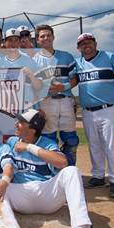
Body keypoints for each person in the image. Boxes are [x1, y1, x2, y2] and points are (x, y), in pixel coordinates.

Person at [3, 109, 93, 228]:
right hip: (20, 196)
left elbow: (62, 162)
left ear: (32, 130)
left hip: (46, 195)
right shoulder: (12, 141)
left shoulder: (47, 143)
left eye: (21, 122)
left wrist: (28, 147)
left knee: (72, 171)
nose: (16, 124)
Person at [70, 33, 114, 199]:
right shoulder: (78, 64)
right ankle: (98, 176)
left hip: (110, 109)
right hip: (88, 111)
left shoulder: (110, 57)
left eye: (89, 42)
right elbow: (71, 81)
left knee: (112, 145)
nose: (86, 45)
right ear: (78, 48)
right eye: (82, 44)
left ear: (95, 43)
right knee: (94, 145)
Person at [33, 24, 79, 166]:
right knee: (48, 137)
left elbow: (75, 78)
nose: (46, 38)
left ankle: (70, 170)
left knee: (70, 139)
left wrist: (63, 86)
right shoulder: (34, 60)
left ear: (53, 37)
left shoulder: (66, 56)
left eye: (48, 35)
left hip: (65, 100)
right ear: (37, 40)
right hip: (46, 102)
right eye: (42, 36)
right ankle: (52, 171)